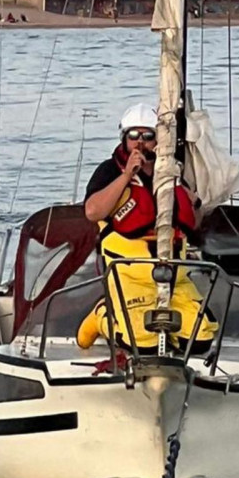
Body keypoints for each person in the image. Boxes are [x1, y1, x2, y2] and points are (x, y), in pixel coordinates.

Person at [77, 103, 216, 353]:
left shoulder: (172, 173)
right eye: (133, 136)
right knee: (142, 343)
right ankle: (102, 316)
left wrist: (189, 196)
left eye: (148, 136)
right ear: (124, 139)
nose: (140, 143)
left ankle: (173, 349)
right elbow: (92, 212)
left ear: (159, 140)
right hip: (129, 274)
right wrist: (126, 176)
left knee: (200, 338)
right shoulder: (109, 171)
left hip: (174, 273)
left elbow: (192, 221)